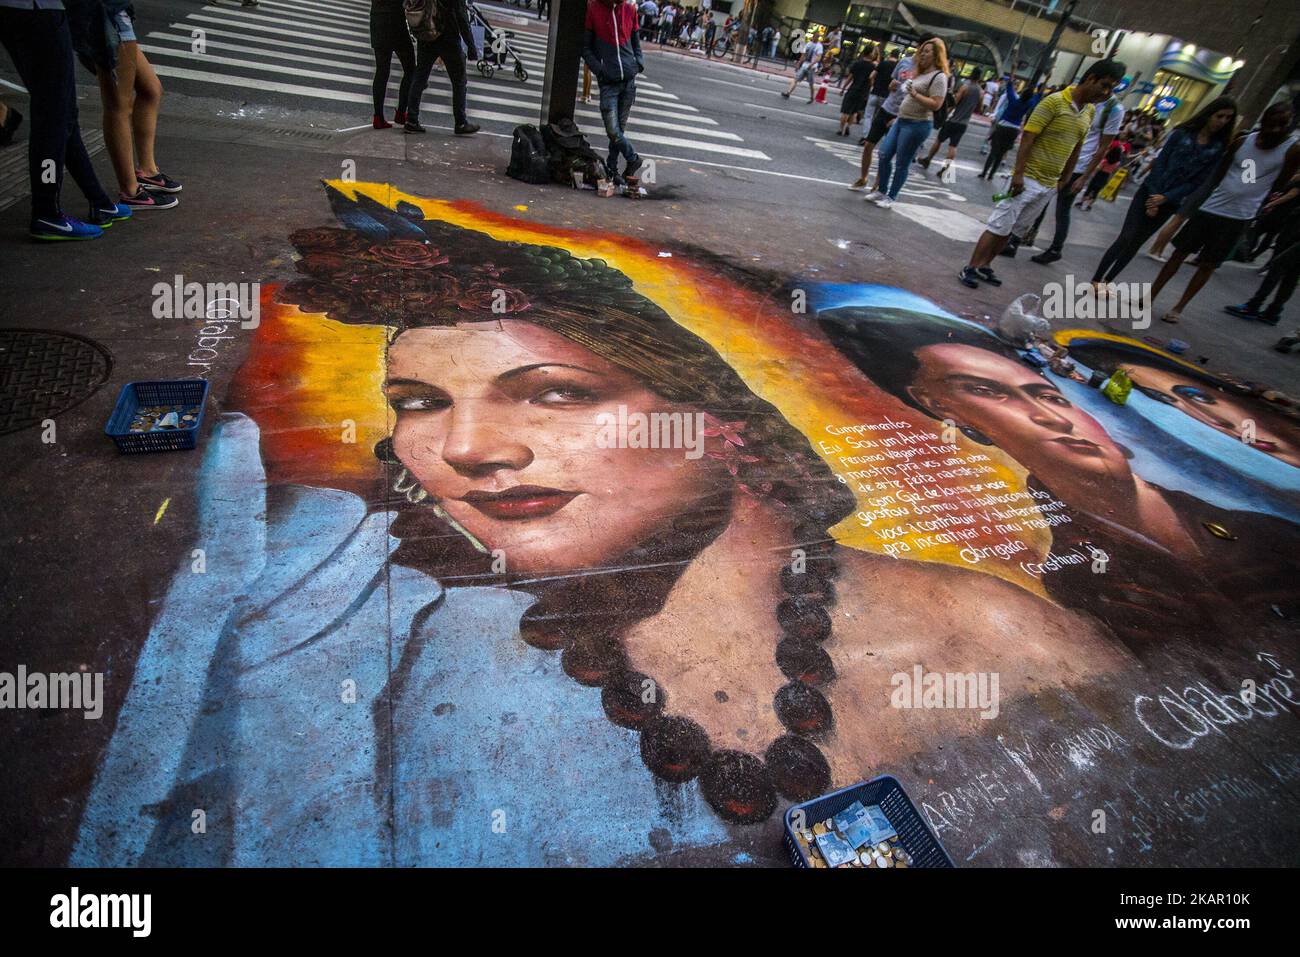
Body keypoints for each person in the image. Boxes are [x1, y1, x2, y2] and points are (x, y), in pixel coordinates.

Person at [73, 189, 1132, 866]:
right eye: (419, 403)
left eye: (553, 393)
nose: (468, 449)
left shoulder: (1005, 640)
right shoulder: (371, 648)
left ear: (715, 422)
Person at [820, 307, 1300, 653]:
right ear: (940, 410)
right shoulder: (1071, 577)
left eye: (1049, 395)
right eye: (987, 393)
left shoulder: (1267, 532)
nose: (1049, 417)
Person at [959, 60, 1126, 289]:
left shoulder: (1088, 111)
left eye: (1111, 89)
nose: (1106, 93)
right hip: (1026, 178)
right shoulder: (1054, 102)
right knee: (999, 225)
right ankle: (970, 267)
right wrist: (1018, 174)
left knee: (1014, 230)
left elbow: (1077, 146)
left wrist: (1066, 177)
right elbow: (1028, 137)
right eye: (1104, 85)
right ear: (1090, 78)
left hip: (1049, 184)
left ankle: (986, 265)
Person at [1151, 102, 1300, 324]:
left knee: (1208, 264)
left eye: (1283, 126)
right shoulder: (1243, 141)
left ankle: (1178, 307)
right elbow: (1220, 173)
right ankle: (1151, 295)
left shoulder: (1291, 149)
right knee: (1178, 253)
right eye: (1273, 124)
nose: (1277, 130)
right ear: (1265, 122)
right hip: (1211, 208)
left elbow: (1280, 182)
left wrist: (1258, 198)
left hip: (1239, 216)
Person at [0, 0, 130, 240]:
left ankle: (98, 200)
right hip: (40, 10)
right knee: (53, 116)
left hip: (21, 11)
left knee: (63, 112)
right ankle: (47, 211)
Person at [91, 2, 181, 211]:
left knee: (151, 90)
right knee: (118, 105)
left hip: (117, 13)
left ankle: (147, 171)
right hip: (105, 15)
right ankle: (130, 191)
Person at [1024, 92, 1125, 264]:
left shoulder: (1114, 109)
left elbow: (1104, 147)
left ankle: (1056, 248)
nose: (1104, 90)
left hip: (1079, 167)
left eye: (1109, 86)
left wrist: (1084, 177)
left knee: (1062, 208)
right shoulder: (1086, 101)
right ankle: (1027, 235)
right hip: (1061, 159)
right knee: (1040, 199)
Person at [864, 37, 949, 209]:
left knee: (902, 162)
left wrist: (915, 94)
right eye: (922, 51)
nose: (922, 54)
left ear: (937, 55)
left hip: (917, 124)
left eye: (927, 52)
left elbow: (936, 104)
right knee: (884, 154)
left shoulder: (939, 77)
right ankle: (881, 190)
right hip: (901, 120)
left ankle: (891, 196)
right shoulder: (920, 73)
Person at [1225, 170, 1300, 325]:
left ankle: (1255, 305)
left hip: (1294, 227)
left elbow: (1293, 193)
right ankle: (1273, 311)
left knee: (1279, 264)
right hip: (1294, 226)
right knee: (1291, 273)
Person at [582, 0, 645, 183]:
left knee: (619, 131)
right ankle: (633, 158)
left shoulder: (629, 9)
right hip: (608, 82)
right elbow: (585, 48)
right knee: (613, 130)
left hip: (628, 80)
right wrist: (600, 70)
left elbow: (636, 40)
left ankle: (612, 170)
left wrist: (639, 63)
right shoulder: (593, 8)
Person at [404, 0, 480, 135]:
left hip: (427, 34)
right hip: (448, 37)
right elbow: (461, 16)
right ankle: (461, 122)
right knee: (459, 81)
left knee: (420, 77)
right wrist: (471, 46)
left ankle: (411, 119)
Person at [847, 47, 908, 190]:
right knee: (868, 145)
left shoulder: (925, 73)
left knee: (886, 152)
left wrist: (900, 117)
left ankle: (878, 183)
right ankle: (863, 178)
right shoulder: (904, 62)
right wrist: (891, 84)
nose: (922, 53)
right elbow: (892, 82)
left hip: (899, 115)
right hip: (886, 108)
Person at [916, 69, 980, 178]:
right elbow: (979, 107)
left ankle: (928, 159)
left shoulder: (965, 87)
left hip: (953, 120)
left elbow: (954, 103)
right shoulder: (980, 91)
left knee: (939, 140)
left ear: (971, 75)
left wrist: (945, 114)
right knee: (953, 147)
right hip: (964, 123)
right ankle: (945, 168)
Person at [978, 76, 1043, 181]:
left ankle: (984, 172)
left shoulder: (1013, 100)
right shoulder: (1029, 104)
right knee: (1001, 153)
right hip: (1014, 130)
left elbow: (1009, 87)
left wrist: (1013, 72)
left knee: (993, 151)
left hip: (1002, 126)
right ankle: (991, 175)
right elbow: (1038, 95)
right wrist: (1045, 83)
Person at [369, 0, 415, 130]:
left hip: (377, 20)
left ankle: (378, 117)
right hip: (395, 22)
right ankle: (401, 112)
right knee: (410, 68)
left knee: (382, 70)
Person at [1073, 132, 1129, 211]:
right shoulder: (1117, 163)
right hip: (1105, 177)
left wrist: (1092, 173)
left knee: (1090, 189)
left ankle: (1081, 202)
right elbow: (1114, 170)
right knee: (1096, 191)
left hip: (1098, 175)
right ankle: (1089, 205)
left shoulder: (1105, 161)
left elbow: (1098, 168)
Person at [836, 45, 875, 137]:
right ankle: (848, 127)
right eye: (873, 52)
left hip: (853, 89)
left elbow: (850, 77)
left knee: (845, 111)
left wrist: (843, 88)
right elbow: (872, 80)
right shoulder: (873, 67)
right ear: (870, 54)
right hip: (863, 92)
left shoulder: (857, 64)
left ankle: (841, 129)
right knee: (854, 112)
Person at [781, 31, 822, 102]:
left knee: (811, 83)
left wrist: (811, 64)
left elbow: (819, 57)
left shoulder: (819, 46)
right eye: (815, 36)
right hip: (804, 66)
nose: (815, 38)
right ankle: (788, 93)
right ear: (813, 36)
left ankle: (812, 98)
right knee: (795, 79)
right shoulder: (808, 44)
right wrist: (799, 63)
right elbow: (803, 55)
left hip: (812, 67)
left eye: (817, 37)